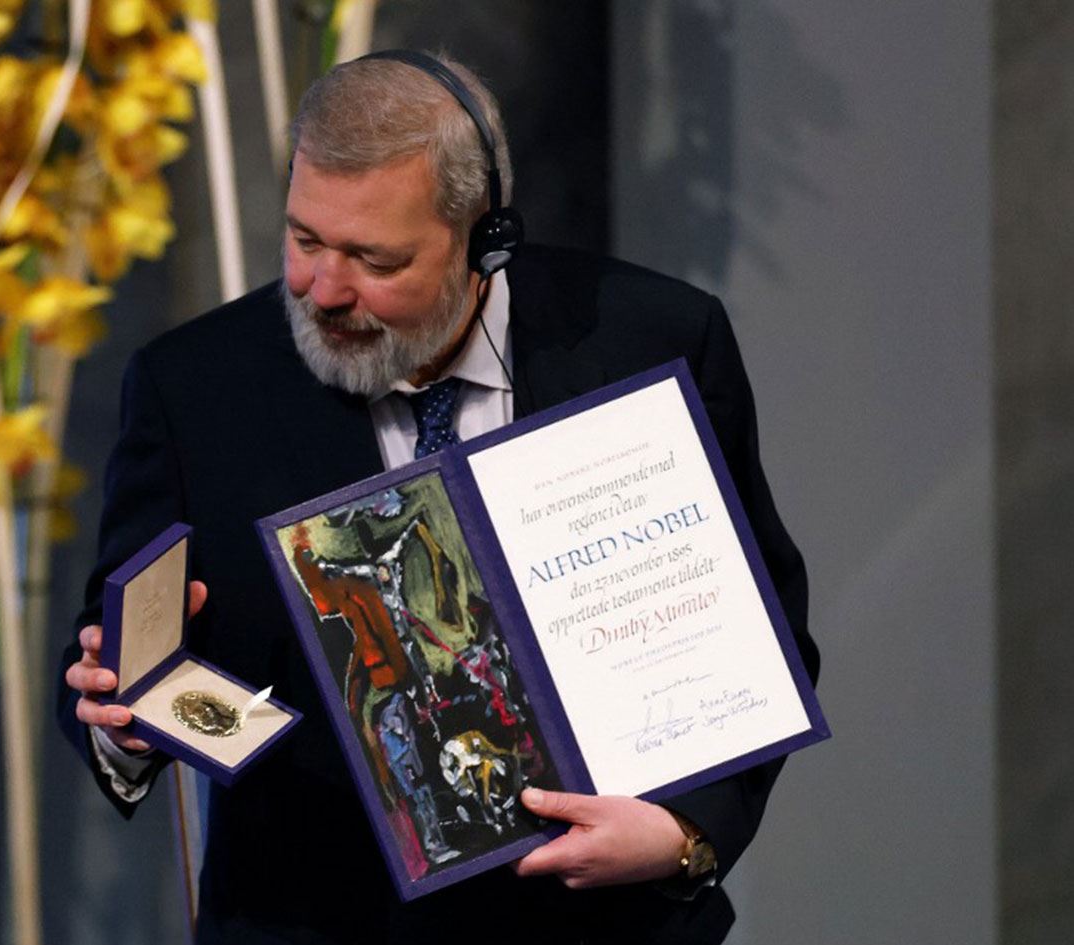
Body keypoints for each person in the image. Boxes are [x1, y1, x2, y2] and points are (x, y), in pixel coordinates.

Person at [59, 50, 818, 945]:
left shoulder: (654, 340)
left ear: (481, 239)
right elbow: (114, 657)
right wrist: (123, 718)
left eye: (373, 258)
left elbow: (760, 632)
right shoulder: (194, 387)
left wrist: (684, 833)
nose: (323, 289)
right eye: (304, 240)